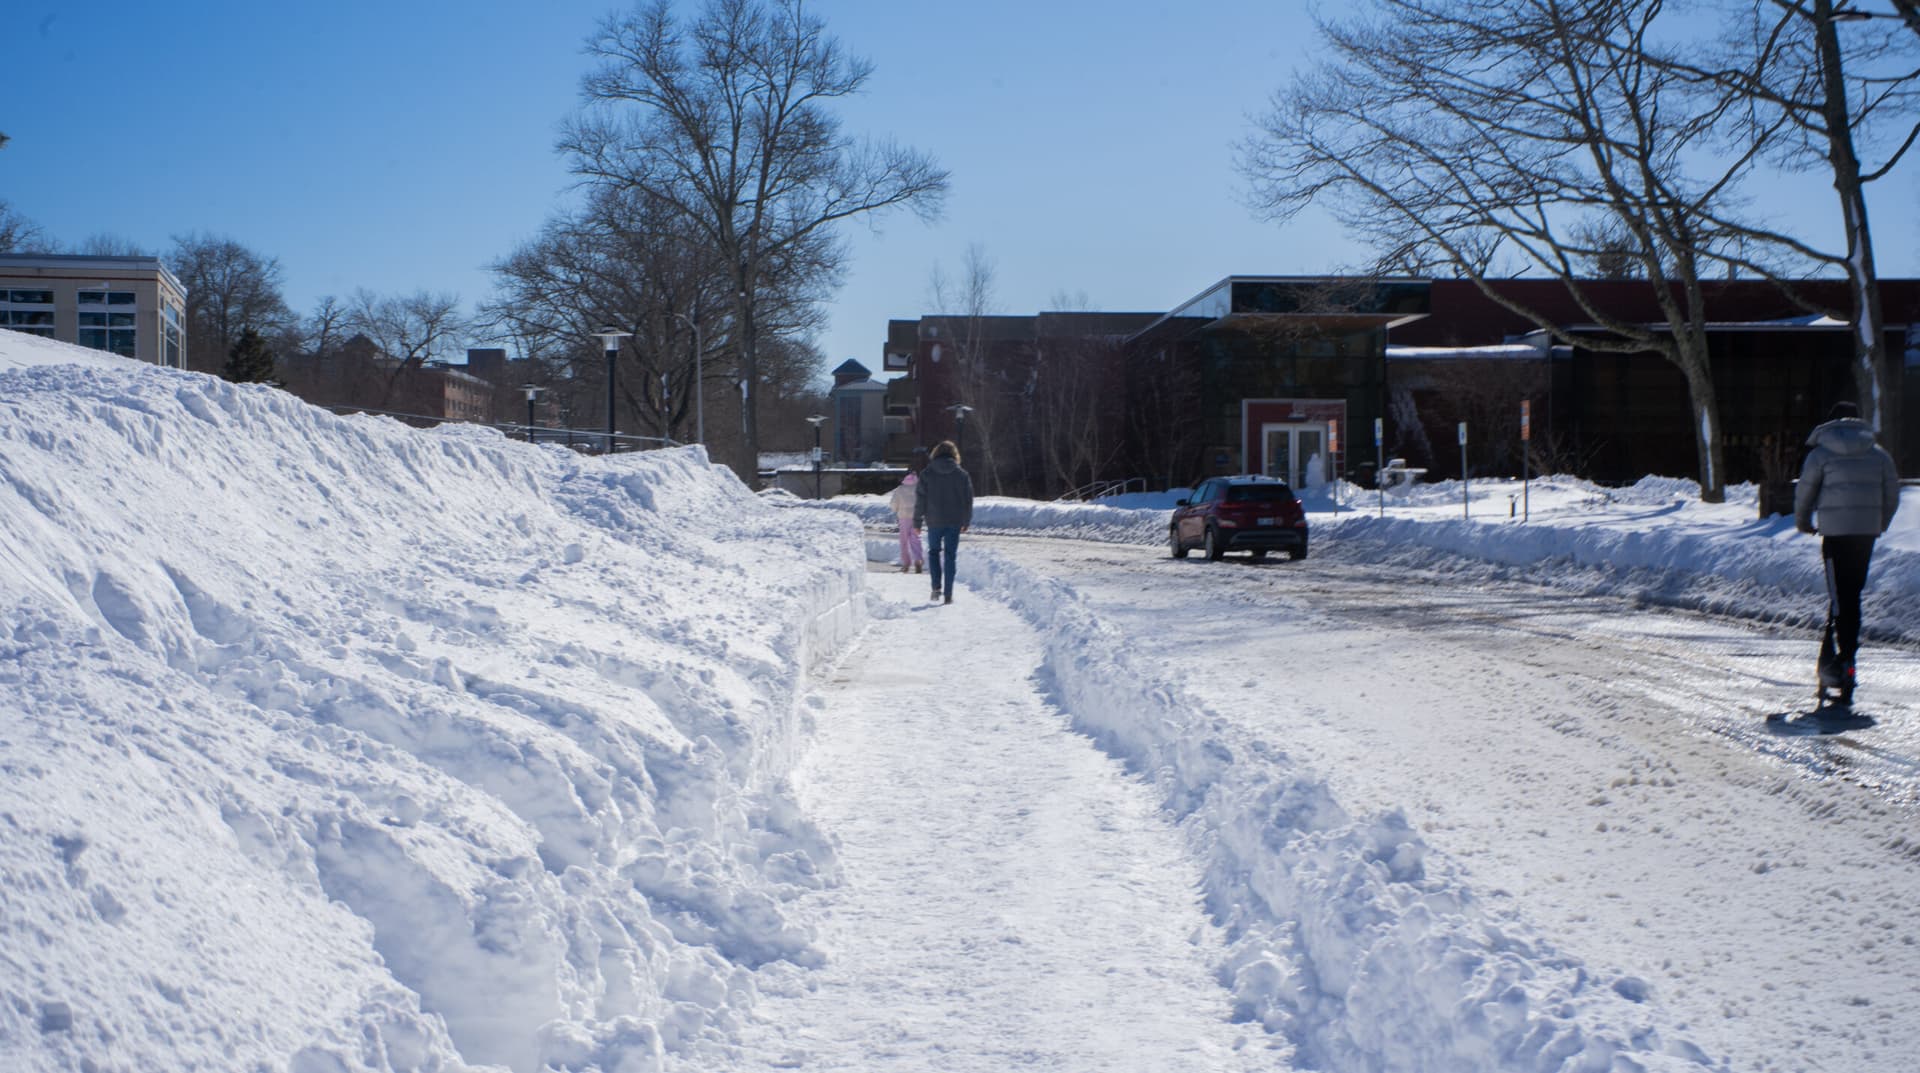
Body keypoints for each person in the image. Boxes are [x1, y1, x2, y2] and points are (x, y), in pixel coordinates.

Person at [1794, 401, 1901, 703]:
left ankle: (1845, 660)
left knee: (1840, 597)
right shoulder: (1879, 455)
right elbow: (1891, 494)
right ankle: (1839, 659)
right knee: (1850, 594)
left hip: (1835, 536)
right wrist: (1879, 522)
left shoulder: (1820, 455)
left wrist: (1803, 522)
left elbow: (1805, 491)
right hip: (1865, 535)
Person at [913, 440, 974, 605]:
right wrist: (966, 520)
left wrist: (917, 522)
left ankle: (935, 588)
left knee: (933, 553)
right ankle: (948, 594)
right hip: (954, 520)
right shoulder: (962, 475)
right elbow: (968, 500)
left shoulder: (926, 473)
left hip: (934, 520)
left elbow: (920, 500)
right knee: (950, 556)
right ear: (955, 455)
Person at [888, 470, 925, 574]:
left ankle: (906, 563)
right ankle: (918, 560)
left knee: (904, 540)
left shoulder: (900, 489)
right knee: (916, 540)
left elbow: (893, 504)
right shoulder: (919, 489)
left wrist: (896, 510)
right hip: (916, 518)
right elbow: (923, 502)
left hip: (903, 517)